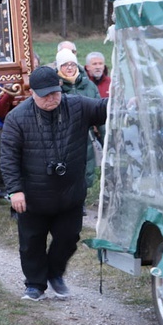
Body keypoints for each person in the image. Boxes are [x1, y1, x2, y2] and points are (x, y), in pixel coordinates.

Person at [0, 66, 107, 301]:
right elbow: (8, 158)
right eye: (45, 95)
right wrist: (15, 190)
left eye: (55, 93)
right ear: (33, 94)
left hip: (69, 193)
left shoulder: (77, 105)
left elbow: (103, 109)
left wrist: (124, 101)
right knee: (31, 242)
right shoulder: (17, 118)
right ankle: (35, 284)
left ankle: (55, 273)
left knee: (69, 238)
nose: (51, 99)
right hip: (32, 195)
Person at [56, 48, 102, 211]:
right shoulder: (56, 86)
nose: (69, 68)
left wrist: (106, 136)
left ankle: (80, 202)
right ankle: (68, 202)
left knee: (86, 168)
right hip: (63, 136)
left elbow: (99, 110)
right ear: (59, 67)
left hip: (86, 134)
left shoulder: (88, 85)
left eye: (72, 64)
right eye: (65, 65)